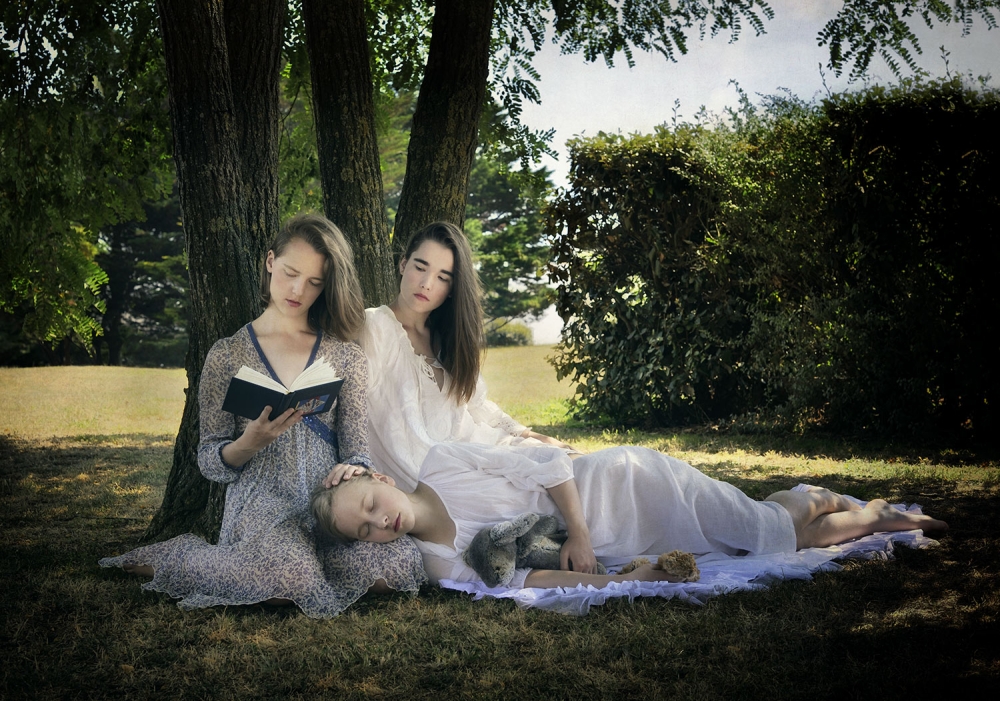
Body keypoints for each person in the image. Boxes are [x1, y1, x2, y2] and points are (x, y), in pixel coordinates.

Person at [100, 214, 426, 617]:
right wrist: (246, 444)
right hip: (262, 502)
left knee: (394, 567)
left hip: (332, 507)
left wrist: (355, 469)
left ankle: (306, 569)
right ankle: (181, 559)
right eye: (291, 273)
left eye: (315, 282)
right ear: (270, 262)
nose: (298, 290)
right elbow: (208, 460)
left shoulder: (346, 356)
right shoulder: (227, 355)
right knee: (286, 579)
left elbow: (357, 448)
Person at [311, 443, 948, 590]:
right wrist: (619, 579)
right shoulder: (438, 561)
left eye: (369, 506)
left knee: (767, 531)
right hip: (621, 542)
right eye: (364, 531)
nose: (379, 523)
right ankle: (868, 513)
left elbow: (548, 461)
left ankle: (856, 508)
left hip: (622, 483)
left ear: (379, 479)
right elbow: (526, 581)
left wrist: (581, 534)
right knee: (766, 543)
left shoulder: (443, 461)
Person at [359, 221, 572, 491]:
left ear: (452, 288)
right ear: (403, 264)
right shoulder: (373, 326)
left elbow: (477, 406)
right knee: (550, 483)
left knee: (586, 466)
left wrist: (529, 435)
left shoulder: (446, 338)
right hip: (433, 477)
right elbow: (355, 409)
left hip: (481, 451)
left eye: (442, 278)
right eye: (420, 268)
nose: (426, 284)